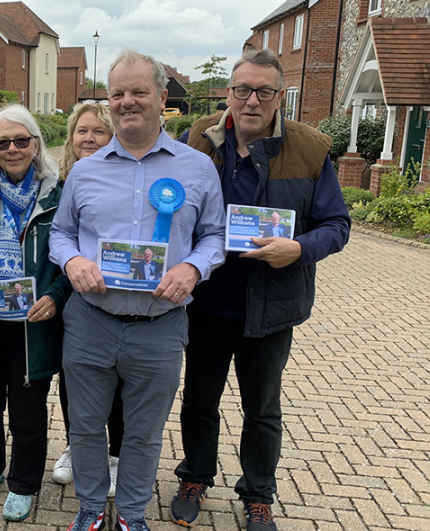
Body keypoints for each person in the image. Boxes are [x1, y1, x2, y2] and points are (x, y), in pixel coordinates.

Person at [169, 49, 350, 531]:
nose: (252, 100)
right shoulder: (198, 138)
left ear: (278, 97)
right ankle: (195, 477)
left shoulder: (311, 148)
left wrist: (300, 248)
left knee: (262, 408)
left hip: (270, 306)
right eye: (242, 89)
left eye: (264, 91)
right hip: (206, 301)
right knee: (199, 400)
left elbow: (337, 224)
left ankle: (257, 494)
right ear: (229, 92)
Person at [49, 49, 226, 531]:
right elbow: (60, 233)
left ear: (162, 98)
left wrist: (193, 268)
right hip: (90, 322)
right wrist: (74, 259)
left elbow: (215, 236)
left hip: (160, 326)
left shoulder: (196, 167)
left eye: (138, 92)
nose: (127, 102)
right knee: (84, 429)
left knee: (145, 435)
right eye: (117, 94)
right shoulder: (85, 171)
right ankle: (89, 512)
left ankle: (129, 515)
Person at [0, 104, 72, 522]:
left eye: (21, 140)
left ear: (36, 144)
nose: (12, 149)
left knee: (27, 411)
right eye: (2, 142)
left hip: (33, 324)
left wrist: (56, 296)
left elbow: (68, 259)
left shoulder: (58, 197)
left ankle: (23, 484)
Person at [53, 103, 125, 498]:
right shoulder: (56, 181)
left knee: (115, 381)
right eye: (82, 131)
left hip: (111, 298)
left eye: (100, 131)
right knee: (73, 381)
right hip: (68, 297)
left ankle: (114, 455)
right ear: (71, 138)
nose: (90, 138)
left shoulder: (122, 180)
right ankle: (76, 447)